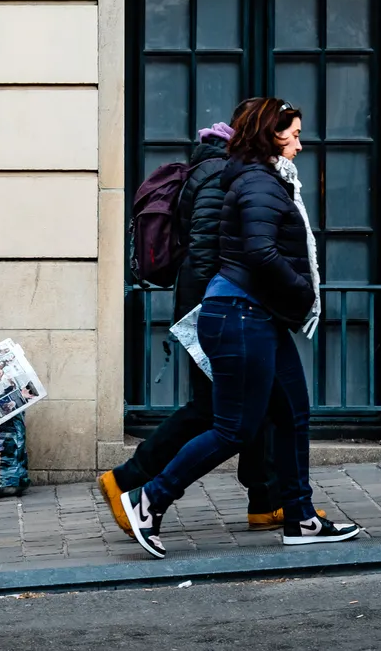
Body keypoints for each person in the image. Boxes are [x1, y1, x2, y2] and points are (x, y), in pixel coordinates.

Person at [121, 98, 361, 556]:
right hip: (240, 316)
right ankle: (149, 498)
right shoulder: (257, 184)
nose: (300, 145)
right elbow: (260, 252)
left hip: (257, 316)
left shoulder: (261, 180)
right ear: (271, 136)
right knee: (233, 428)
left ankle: (301, 518)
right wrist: (303, 292)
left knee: (293, 415)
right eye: (292, 135)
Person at [99, 100, 287, 532]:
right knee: (215, 409)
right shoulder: (221, 174)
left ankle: (265, 498)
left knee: (251, 405)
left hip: (214, 307)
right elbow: (205, 251)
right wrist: (217, 316)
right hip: (215, 310)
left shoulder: (217, 168)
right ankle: (131, 481)